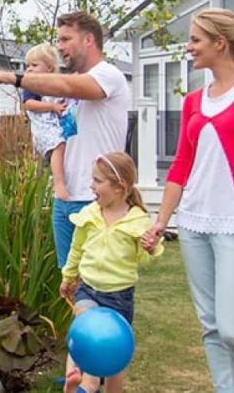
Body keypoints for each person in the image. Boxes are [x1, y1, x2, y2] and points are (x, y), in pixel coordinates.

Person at [141, 8, 234, 393]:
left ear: (219, 43)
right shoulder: (193, 101)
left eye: (195, 40)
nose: (188, 48)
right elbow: (180, 166)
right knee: (210, 324)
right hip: (193, 222)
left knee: (233, 326)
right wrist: (161, 222)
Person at [0, 11, 130, 268]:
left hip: (98, 200)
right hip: (66, 197)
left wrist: (13, 78)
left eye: (66, 39)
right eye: (58, 40)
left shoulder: (108, 75)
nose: (60, 47)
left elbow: (65, 85)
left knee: (103, 284)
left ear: (88, 40)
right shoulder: (72, 86)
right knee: (70, 284)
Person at [60, 151, 162, 393]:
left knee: (115, 357)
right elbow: (76, 249)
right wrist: (68, 276)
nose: (91, 185)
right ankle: (79, 384)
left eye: (97, 181)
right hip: (88, 291)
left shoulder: (137, 221)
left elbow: (144, 261)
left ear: (119, 187)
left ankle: (104, 387)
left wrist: (150, 248)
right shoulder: (89, 214)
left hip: (119, 298)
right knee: (83, 330)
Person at [21, 43, 70, 200]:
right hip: (43, 126)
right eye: (27, 66)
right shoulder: (31, 85)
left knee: (65, 149)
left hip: (56, 124)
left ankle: (56, 182)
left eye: (34, 65)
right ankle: (59, 183)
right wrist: (52, 106)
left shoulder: (56, 82)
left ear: (49, 68)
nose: (29, 69)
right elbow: (29, 104)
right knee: (58, 145)